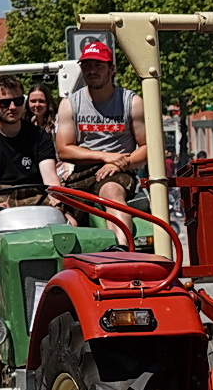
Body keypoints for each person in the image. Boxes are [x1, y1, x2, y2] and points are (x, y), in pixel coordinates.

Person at [0, 75, 61, 316]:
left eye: (17, 101)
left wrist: (58, 198)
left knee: (71, 228)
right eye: (5, 103)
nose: (12, 107)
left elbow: (50, 178)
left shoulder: (40, 137)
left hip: (35, 196)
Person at [55, 40, 147, 240]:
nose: (92, 70)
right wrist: (106, 157)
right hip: (82, 172)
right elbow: (64, 149)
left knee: (111, 190)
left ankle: (123, 251)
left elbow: (148, 148)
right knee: (57, 210)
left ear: (111, 69)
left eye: (98, 65)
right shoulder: (70, 104)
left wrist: (122, 163)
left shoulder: (132, 102)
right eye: (87, 65)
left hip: (120, 171)